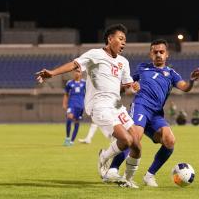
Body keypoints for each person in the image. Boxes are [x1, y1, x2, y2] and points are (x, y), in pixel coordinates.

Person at [35, 24, 141, 188]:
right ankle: (104, 157)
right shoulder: (95, 54)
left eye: (125, 41)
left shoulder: (123, 62)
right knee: (126, 140)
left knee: (136, 142)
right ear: (109, 38)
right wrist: (52, 73)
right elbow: (74, 65)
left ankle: (126, 179)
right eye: (120, 39)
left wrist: (133, 88)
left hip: (116, 105)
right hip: (99, 106)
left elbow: (127, 87)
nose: (123, 43)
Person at [103, 39, 199, 187]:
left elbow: (184, 87)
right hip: (141, 107)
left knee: (169, 141)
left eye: (161, 52)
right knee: (134, 138)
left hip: (156, 114)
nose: (158, 54)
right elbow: (126, 83)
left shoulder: (171, 74)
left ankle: (149, 176)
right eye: (155, 52)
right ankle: (112, 170)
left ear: (166, 54)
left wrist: (192, 81)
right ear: (150, 54)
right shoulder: (142, 68)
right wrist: (131, 86)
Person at [62, 68, 86, 146]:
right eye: (75, 71)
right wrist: (64, 104)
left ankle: (72, 141)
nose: (76, 73)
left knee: (76, 122)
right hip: (71, 105)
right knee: (69, 118)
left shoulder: (84, 83)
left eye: (78, 72)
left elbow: (88, 94)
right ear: (73, 72)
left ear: (81, 73)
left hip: (80, 106)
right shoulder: (69, 83)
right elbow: (66, 94)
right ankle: (67, 138)